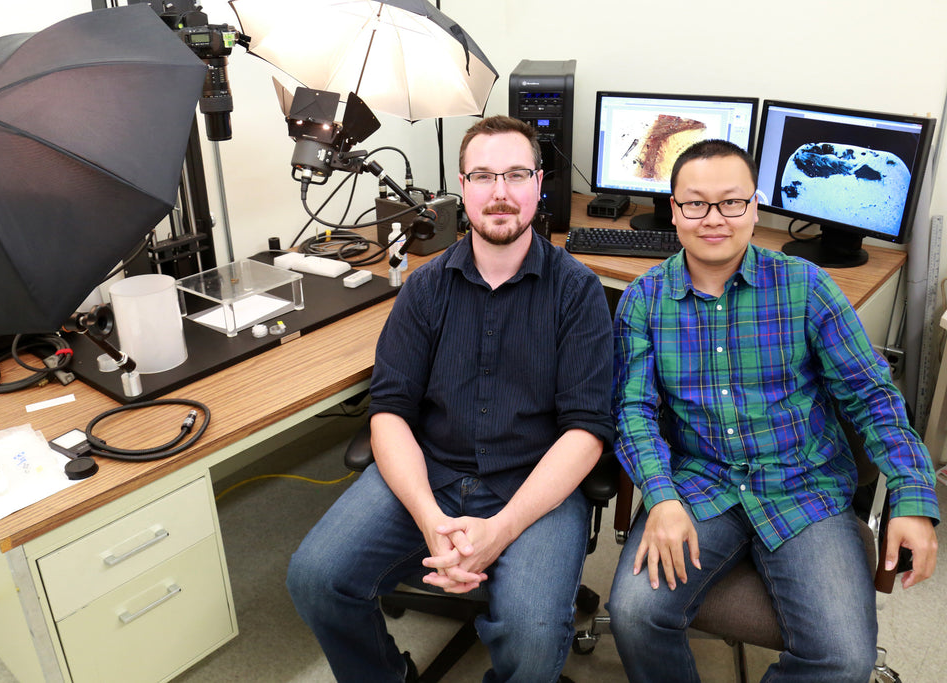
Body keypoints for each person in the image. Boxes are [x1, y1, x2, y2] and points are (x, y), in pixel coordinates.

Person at [286, 115, 614, 682]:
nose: (501, 193)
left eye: (516, 174)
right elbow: (389, 412)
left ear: (539, 183)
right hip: (431, 473)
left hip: (534, 487)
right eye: (483, 176)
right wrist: (431, 519)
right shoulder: (425, 287)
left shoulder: (577, 291)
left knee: (534, 636)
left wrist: (501, 531)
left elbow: (585, 432)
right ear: (462, 188)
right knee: (316, 576)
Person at [608, 138, 940, 682]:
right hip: (700, 485)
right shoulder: (645, 298)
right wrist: (661, 498)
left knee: (843, 661)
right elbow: (633, 410)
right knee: (634, 613)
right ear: (674, 210)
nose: (713, 218)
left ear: (754, 206)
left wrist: (913, 493)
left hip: (802, 484)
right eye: (695, 203)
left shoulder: (805, 286)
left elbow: (871, 394)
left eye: (731, 202)